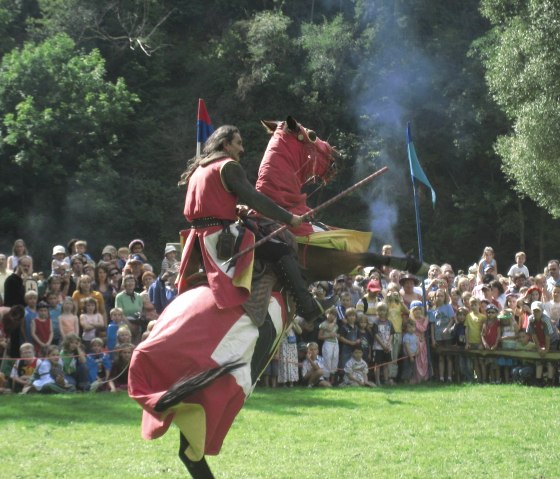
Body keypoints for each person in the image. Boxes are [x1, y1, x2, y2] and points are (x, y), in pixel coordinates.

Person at [177, 125, 334, 322]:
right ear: (225, 144)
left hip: (197, 241)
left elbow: (204, 207)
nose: (242, 149)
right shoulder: (227, 165)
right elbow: (256, 199)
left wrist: (233, 210)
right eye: (238, 143)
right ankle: (307, 306)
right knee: (281, 251)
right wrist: (289, 218)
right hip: (220, 238)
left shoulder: (199, 169)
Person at [429, 289, 455, 383]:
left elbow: (452, 319)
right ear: (434, 297)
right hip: (438, 336)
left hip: (447, 336)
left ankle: (449, 377)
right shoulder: (432, 310)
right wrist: (433, 339)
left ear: (444, 297)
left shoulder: (448, 307)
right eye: (437, 296)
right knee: (440, 357)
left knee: (448, 357)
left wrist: (447, 328)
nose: (439, 298)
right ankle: (441, 377)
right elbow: (432, 325)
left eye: (441, 296)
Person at [527, 301, 554, 386]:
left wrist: (546, 349)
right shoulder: (530, 319)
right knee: (539, 359)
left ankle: (550, 382)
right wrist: (539, 348)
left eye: (538, 311)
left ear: (542, 311)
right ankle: (538, 381)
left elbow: (548, 336)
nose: (535, 313)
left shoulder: (546, 320)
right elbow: (533, 335)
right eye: (534, 311)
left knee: (550, 360)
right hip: (539, 340)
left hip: (552, 340)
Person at [372, 301, 394, 386]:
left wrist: (388, 344)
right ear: (377, 311)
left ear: (386, 311)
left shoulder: (389, 322)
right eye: (379, 310)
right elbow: (376, 335)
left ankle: (386, 380)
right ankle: (377, 381)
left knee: (386, 364)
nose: (381, 312)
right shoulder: (375, 323)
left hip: (387, 347)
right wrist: (383, 345)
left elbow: (391, 334)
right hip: (378, 347)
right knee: (378, 364)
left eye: (383, 310)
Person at [409, 301, 430, 382]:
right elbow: (422, 329)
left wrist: (425, 319)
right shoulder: (413, 320)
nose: (417, 311)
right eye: (415, 310)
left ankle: (425, 377)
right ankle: (418, 377)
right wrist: (426, 320)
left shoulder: (422, 319)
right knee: (417, 360)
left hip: (422, 341)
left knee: (424, 359)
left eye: (419, 309)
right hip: (415, 342)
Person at [277, 321, 302, 387]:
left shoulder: (292, 322)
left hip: (292, 346)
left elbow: (300, 332)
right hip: (284, 345)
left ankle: (292, 382)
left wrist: (295, 323)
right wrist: (290, 324)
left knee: (292, 363)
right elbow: (285, 332)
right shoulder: (284, 322)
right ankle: (284, 382)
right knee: (284, 363)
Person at [481, 304, 501, 383]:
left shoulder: (498, 322)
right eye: (489, 312)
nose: (490, 314)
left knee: (496, 364)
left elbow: (499, 334)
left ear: (496, 313)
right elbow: (482, 334)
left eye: (493, 312)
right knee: (489, 363)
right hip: (488, 346)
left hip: (495, 345)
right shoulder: (485, 322)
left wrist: (496, 344)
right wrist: (485, 344)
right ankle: (492, 379)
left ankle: (498, 379)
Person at [318, 307, 339, 383]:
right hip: (327, 343)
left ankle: (332, 380)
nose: (331, 316)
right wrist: (329, 336)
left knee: (335, 359)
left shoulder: (335, 325)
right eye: (329, 314)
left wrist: (336, 335)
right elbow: (319, 336)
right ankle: (327, 379)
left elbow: (334, 332)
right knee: (327, 360)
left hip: (335, 343)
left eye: (333, 314)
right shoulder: (323, 324)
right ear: (326, 314)